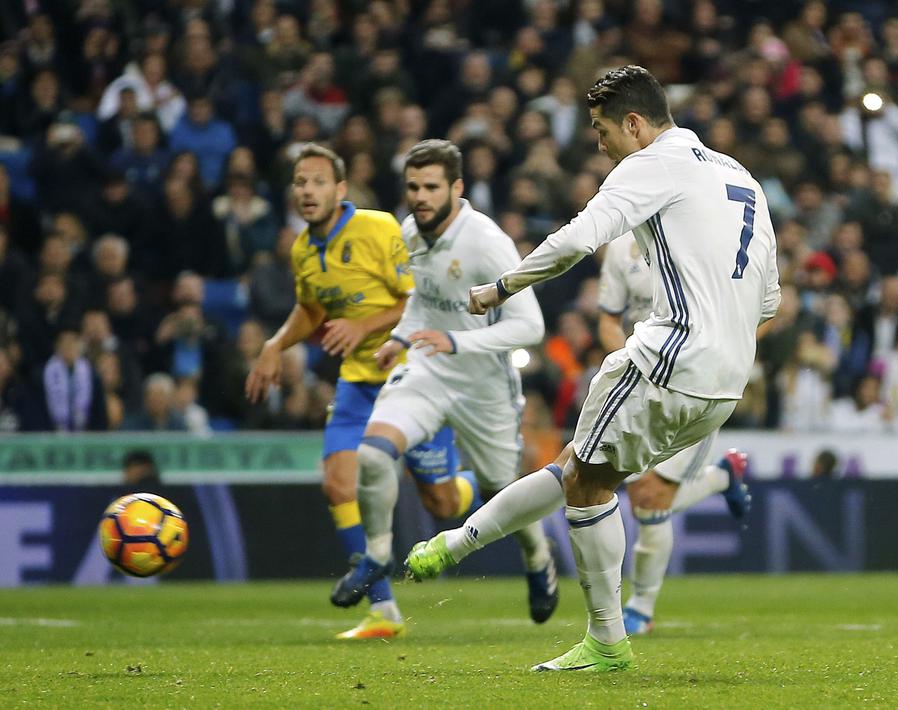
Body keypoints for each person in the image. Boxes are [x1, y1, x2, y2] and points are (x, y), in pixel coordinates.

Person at [405, 66, 780, 671]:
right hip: (727, 382)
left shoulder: (652, 165)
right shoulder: (744, 179)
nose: (600, 146)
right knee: (581, 470)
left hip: (671, 357)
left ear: (635, 124)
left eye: (604, 131)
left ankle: (606, 639)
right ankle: (454, 546)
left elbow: (579, 238)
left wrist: (501, 287)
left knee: (584, 481)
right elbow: (769, 303)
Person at [341, 139, 558, 625]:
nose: (420, 197)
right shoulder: (410, 231)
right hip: (427, 368)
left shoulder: (485, 241)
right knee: (374, 452)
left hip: (483, 385)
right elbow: (421, 298)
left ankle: (538, 558)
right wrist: (400, 338)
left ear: (457, 188)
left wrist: (456, 341)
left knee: (502, 492)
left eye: (431, 187)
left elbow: (530, 327)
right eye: (413, 187)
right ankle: (376, 555)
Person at [244, 143, 422, 641]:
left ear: (340, 189)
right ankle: (384, 609)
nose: (307, 191)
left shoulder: (378, 227)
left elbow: (419, 302)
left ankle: (476, 481)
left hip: (409, 376)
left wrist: (363, 323)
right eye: (300, 182)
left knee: (445, 498)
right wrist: (275, 344)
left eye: (318, 181)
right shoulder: (302, 249)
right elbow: (312, 309)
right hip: (356, 382)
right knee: (338, 484)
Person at [596, 231, 752, 635]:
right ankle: (723, 475)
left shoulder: (704, 227)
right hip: (645, 382)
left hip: (701, 379)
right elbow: (608, 319)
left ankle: (641, 609)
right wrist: (630, 357)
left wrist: (734, 353)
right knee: (644, 499)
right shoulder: (621, 245)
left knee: (649, 494)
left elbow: (762, 306)